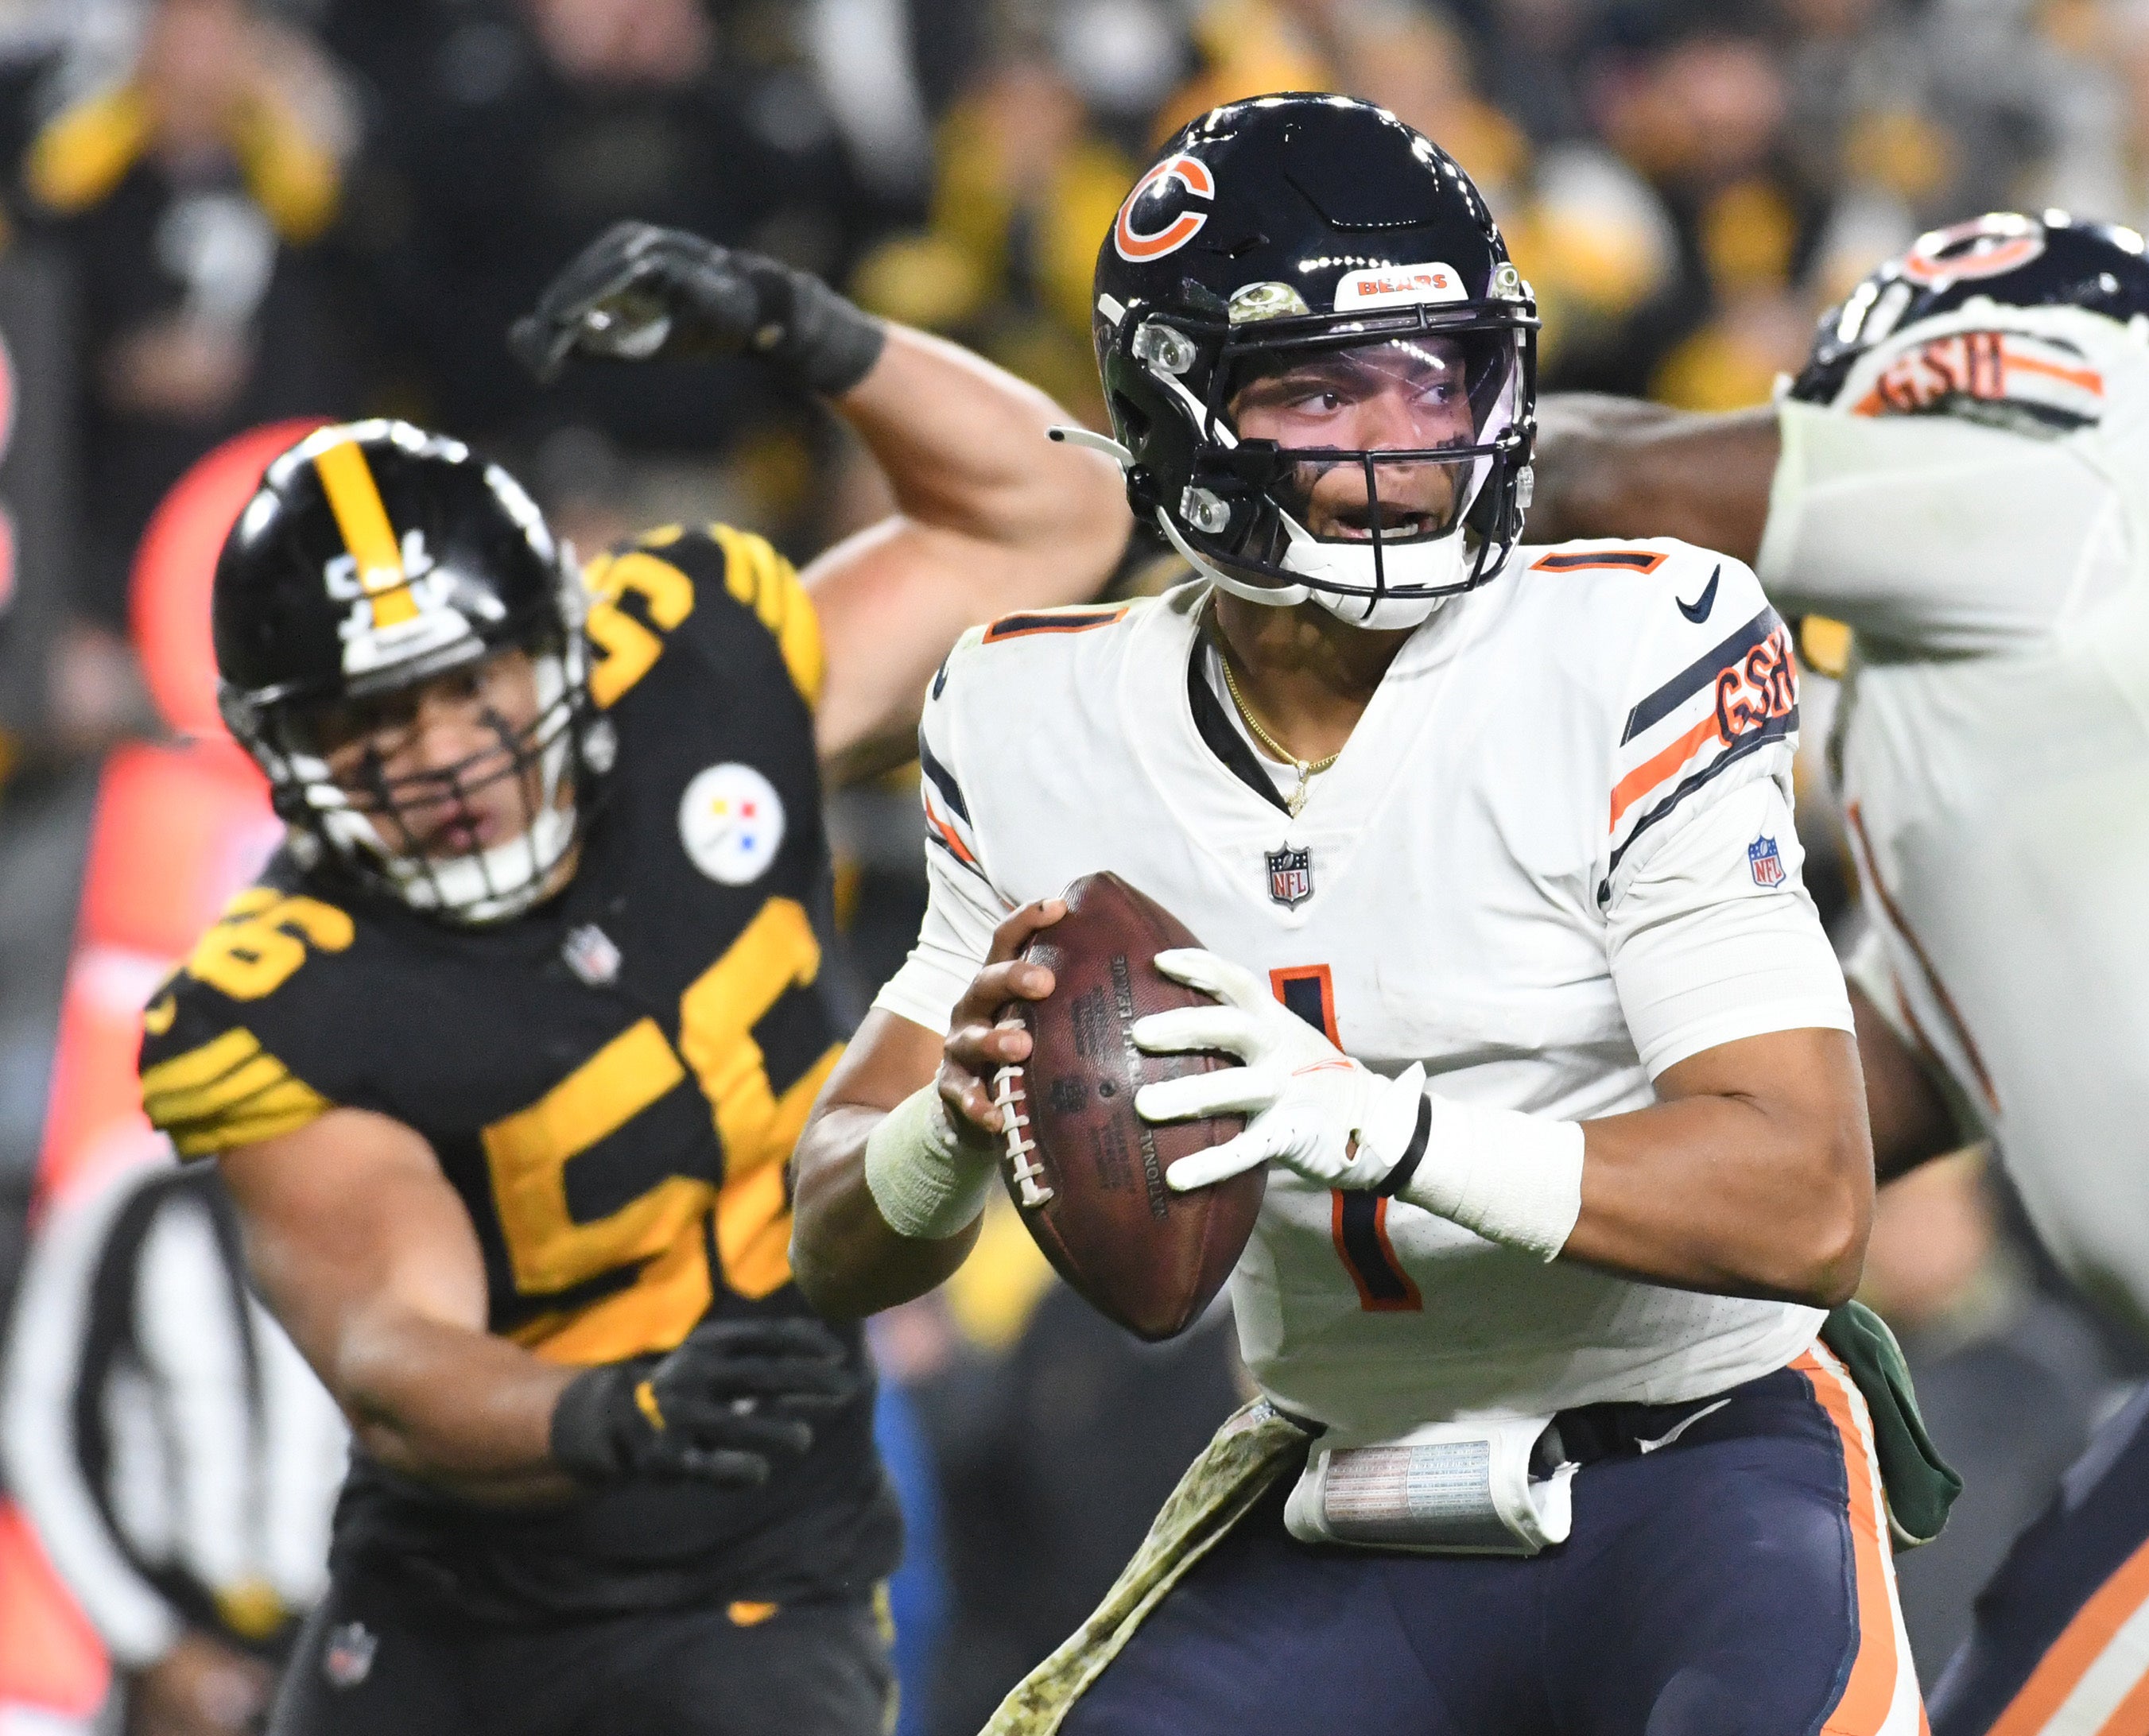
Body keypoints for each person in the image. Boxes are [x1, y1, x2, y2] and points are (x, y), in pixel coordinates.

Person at [789, 95, 1938, 1736]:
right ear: (1173, 415)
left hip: (1699, 1467)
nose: (1404, 439)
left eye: (1439, 373)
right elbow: (826, 1235)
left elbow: (1805, 1195)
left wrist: (1380, 1127)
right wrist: (942, 1135)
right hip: (1343, 1487)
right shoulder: (1031, 713)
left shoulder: (1630, 645)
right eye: (1321, 388)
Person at [132, 226, 1129, 1736]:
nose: (445, 753)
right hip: (454, 1598)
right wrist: (613, 1410)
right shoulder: (285, 993)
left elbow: (1062, 513)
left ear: (560, 636)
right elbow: (395, 1352)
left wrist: (807, 329)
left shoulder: (697, 671)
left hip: (755, 1565)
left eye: (470, 683)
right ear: (286, 752)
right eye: (373, 722)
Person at [1527, 209, 2149, 1734]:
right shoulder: (2010, 751)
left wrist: (1370, 425)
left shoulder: (2103, 456)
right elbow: (1803, 1142)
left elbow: (1610, 478)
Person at [1, 1149, 348, 1736]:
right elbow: (43, 1429)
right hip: (177, 1609)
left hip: (337, 1630)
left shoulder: (382, 1203)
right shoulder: (132, 1202)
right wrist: (151, 1639)